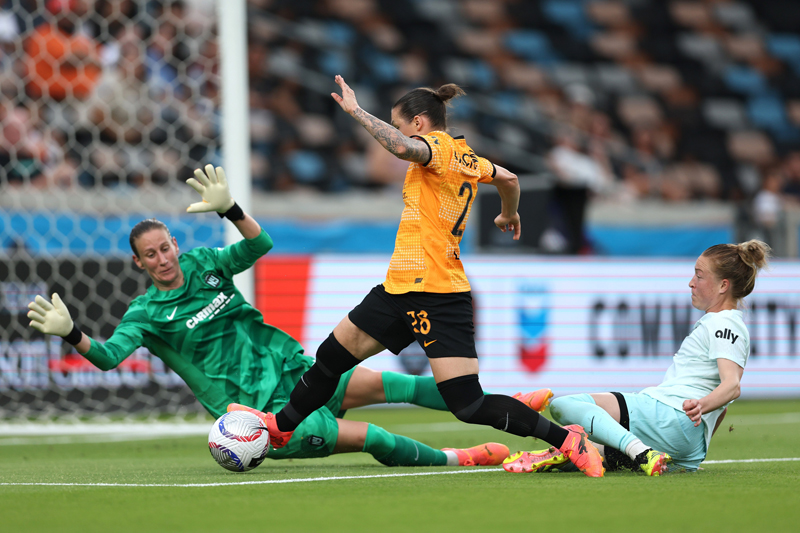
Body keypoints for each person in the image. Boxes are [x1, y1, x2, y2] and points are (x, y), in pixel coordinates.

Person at [27, 164, 552, 468]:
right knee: (370, 436)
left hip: (291, 369)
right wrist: (72, 332)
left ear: (174, 244)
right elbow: (108, 357)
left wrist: (231, 209)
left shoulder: (204, 264)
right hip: (258, 411)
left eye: (166, 247)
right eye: (152, 254)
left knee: (390, 384)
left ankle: (495, 404)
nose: (163, 258)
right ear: (138, 264)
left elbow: (261, 244)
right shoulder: (145, 315)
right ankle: (457, 458)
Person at [230, 75, 605, 477]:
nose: (400, 131)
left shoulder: (440, 150)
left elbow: (401, 147)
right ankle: (281, 427)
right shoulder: (468, 157)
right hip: (398, 288)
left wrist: (357, 113)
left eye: (401, 123)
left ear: (420, 123)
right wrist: (509, 212)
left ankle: (568, 440)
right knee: (330, 358)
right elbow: (509, 179)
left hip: (439, 293)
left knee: (468, 404)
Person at [503, 240, 771, 476]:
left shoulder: (724, 323)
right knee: (591, 450)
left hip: (670, 414)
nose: (691, 282)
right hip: (687, 441)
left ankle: (640, 452)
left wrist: (701, 404)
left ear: (724, 285)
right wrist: (693, 452)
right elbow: (722, 407)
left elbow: (732, 385)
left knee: (564, 406)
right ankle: (569, 451)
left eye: (699, 275)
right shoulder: (728, 324)